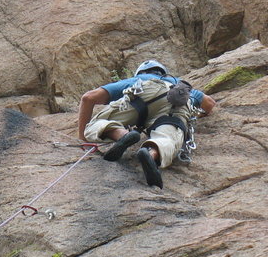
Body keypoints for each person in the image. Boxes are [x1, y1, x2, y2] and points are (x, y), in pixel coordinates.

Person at [78, 59, 216, 188]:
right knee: (167, 138)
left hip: (143, 93)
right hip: (176, 101)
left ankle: (122, 135)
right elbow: (209, 104)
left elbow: (88, 98)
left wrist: (83, 139)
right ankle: (151, 154)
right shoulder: (180, 84)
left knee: (97, 123)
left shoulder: (137, 79)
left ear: (141, 72)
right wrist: (195, 115)